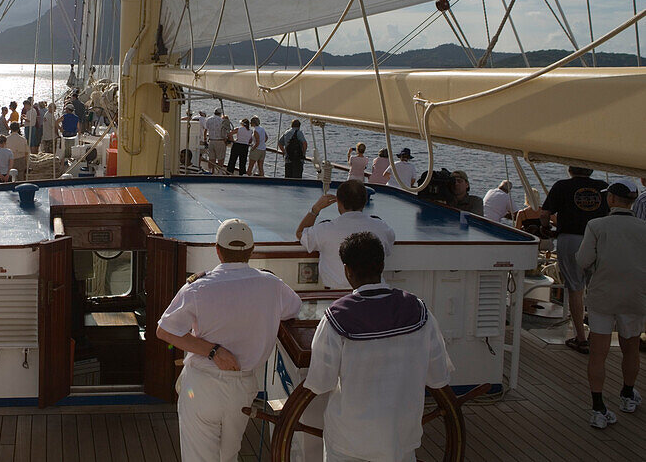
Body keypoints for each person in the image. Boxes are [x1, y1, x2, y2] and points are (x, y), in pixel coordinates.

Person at [156, 219, 302, 462]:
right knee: (229, 456)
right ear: (251, 251)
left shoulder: (198, 288)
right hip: (242, 388)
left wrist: (212, 351)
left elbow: (165, 331)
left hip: (202, 386)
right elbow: (293, 309)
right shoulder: (272, 285)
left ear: (217, 250)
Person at [304, 232, 453, 461]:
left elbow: (320, 382)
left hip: (349, 445)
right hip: (401, 442)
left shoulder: (335, 318)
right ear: (382, 265)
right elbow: (437, 377)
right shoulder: (420, 312)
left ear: (347, 270)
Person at [576, 178, 646, 428]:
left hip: (603, 296)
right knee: (631, 348)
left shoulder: (596, 225)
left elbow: (583, 260)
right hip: (634, 296)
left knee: (598, 353)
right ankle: (627, 395)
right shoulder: (644, 228)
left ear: (612, 199)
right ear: (633, 200)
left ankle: (598, 408)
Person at [540, 166, 609, 354]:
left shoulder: (562, 186)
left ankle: (581, 338)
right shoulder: (603, 187)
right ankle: (597, 335)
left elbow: (545, 214)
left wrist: (545, 229)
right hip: (597, 239)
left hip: (570, 238)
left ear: (570, 169)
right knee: (596, 288)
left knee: (575, 288)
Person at [296, 179, 397, 289]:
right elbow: (388, 245)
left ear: (338, 203)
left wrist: (315, 209)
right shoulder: (382, 227)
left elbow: (300, 233)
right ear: (364, 202)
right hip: (375, 295)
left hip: (335, 297)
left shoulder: (325, 229)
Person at [203, 108, 227, 174]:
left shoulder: (209, 119)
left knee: (211, 158)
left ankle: (211, 171)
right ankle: (219, 172)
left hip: (211, 141)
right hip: (220, 141)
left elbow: (205, 130)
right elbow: (225, 132)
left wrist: (205, 139)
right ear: (220, 113)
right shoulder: (222, 121)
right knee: (220, 158)